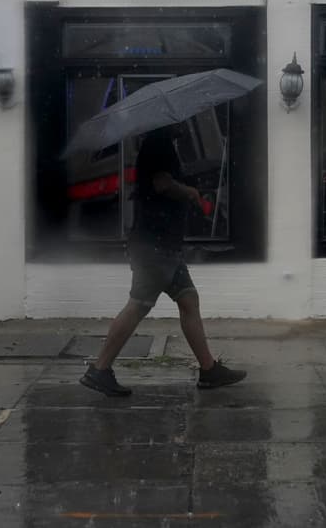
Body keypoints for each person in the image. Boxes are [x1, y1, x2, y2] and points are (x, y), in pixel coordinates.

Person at [80, 125, 246, 397]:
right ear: (170, 121)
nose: (186, 122)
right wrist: (191, 192)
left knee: (188, 299)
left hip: (163, 245)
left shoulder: (161, 143)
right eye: (182, 119)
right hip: (153, 246)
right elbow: (162, 183)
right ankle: (99, 370)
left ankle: (209, 370)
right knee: (138, 305)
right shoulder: (158, 144)